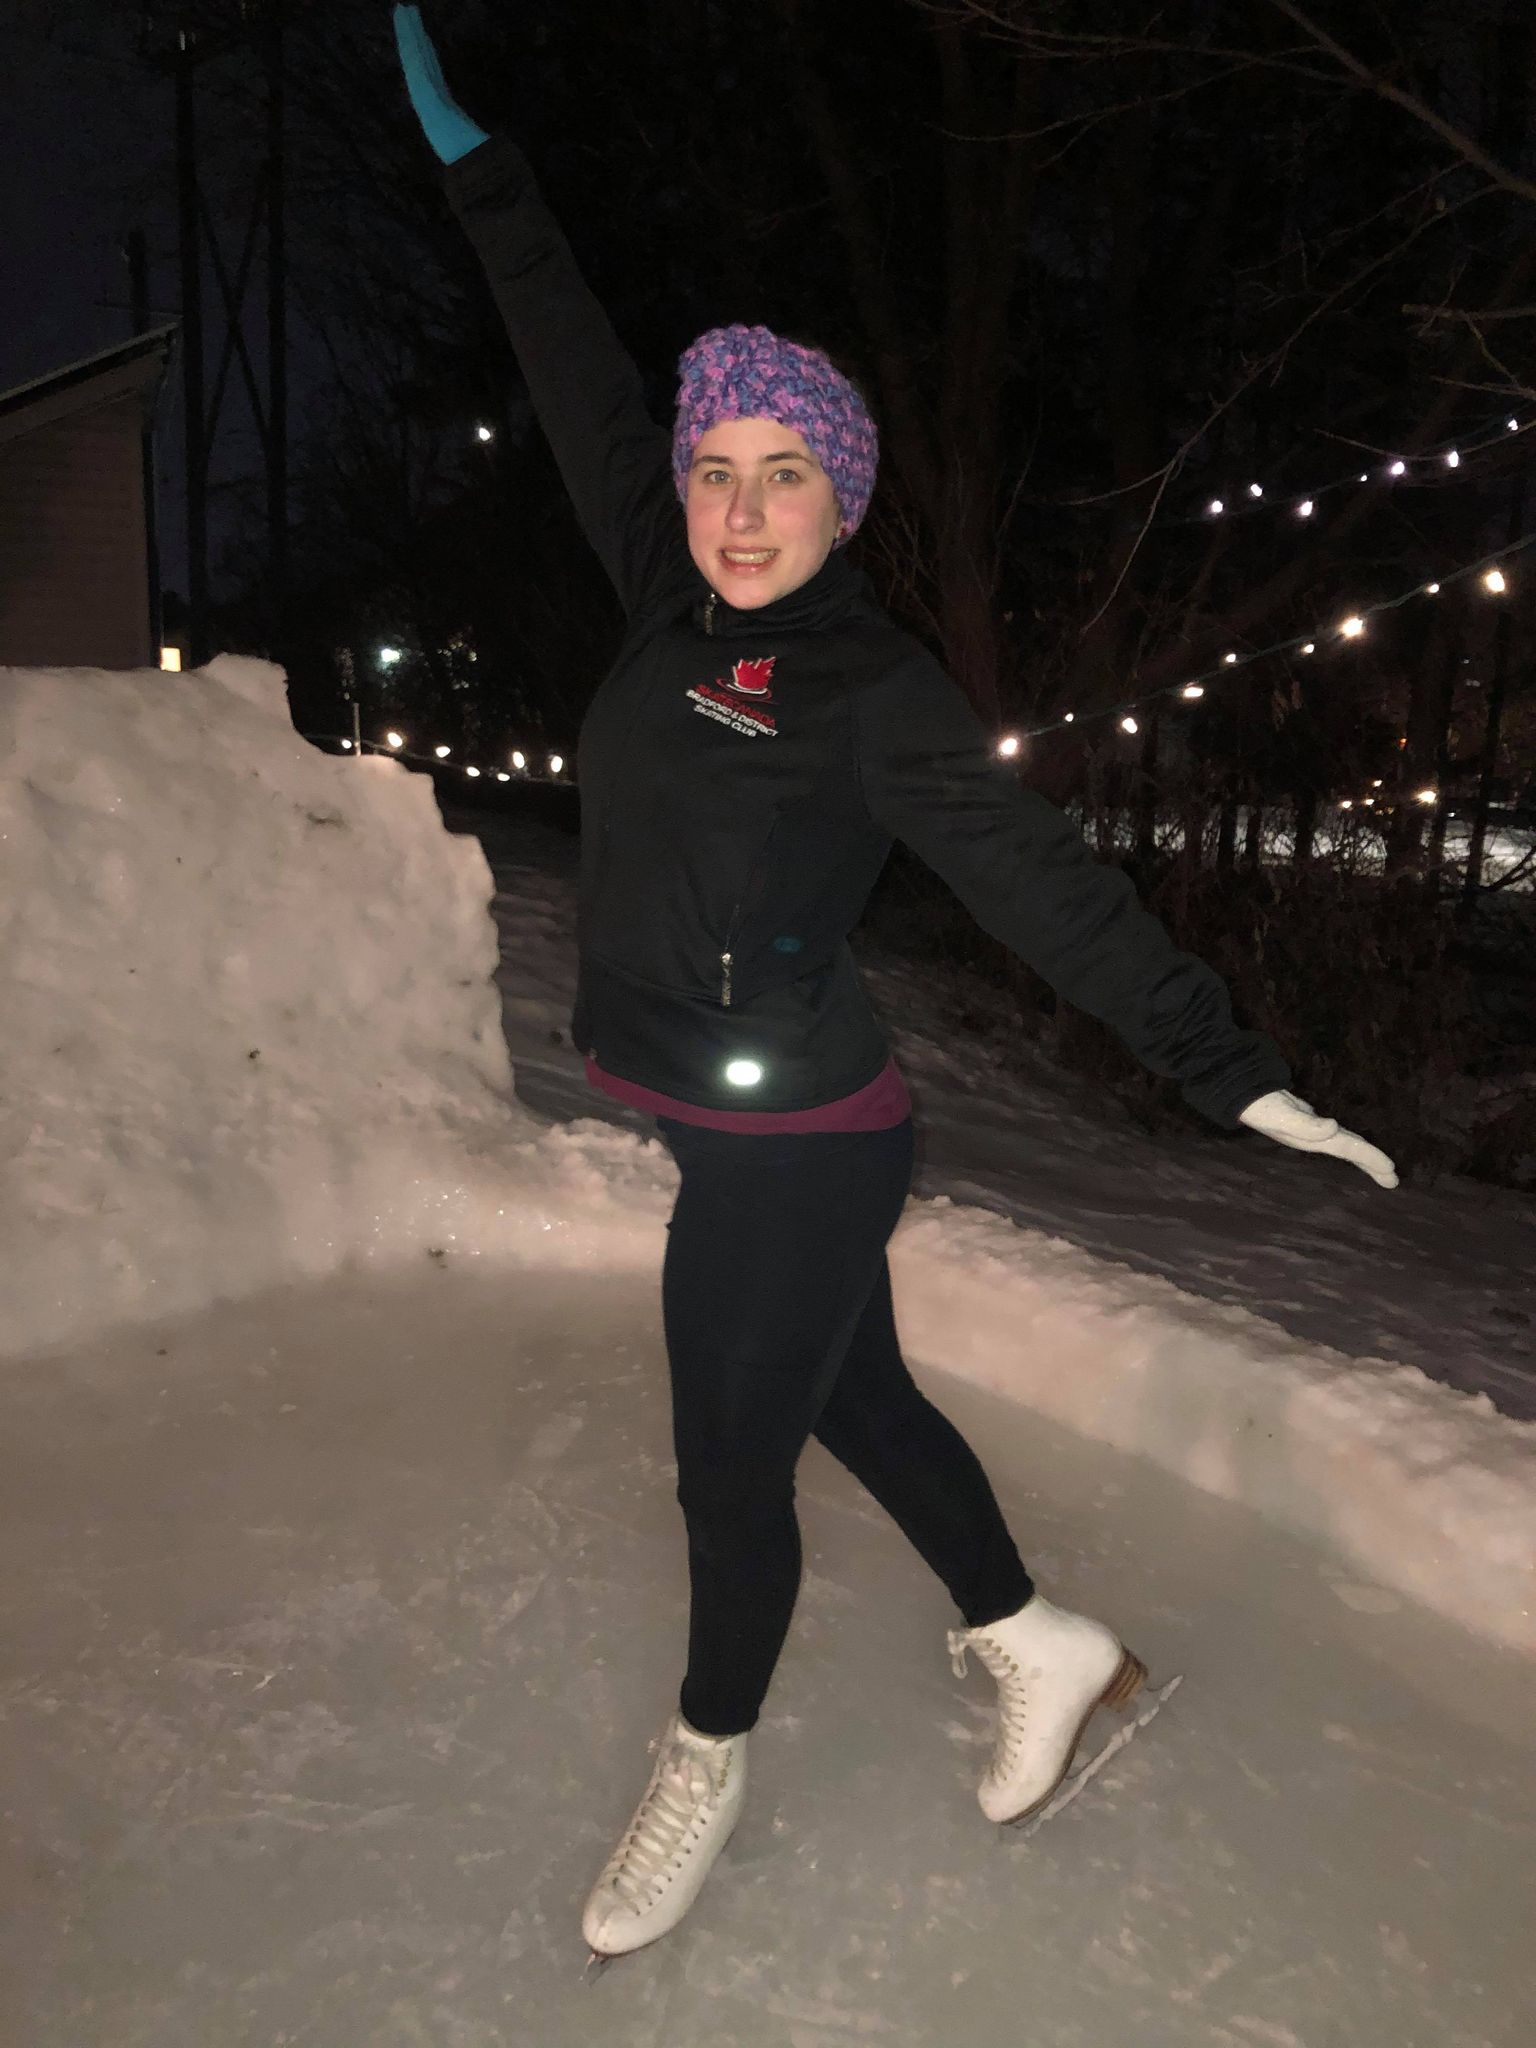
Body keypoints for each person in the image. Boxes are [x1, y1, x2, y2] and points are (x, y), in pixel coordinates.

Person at [391, 5, 1399, 1966]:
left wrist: (1231, 1067)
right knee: (854, 1391)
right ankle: (1042, 1637)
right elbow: (573, 349)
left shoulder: (869, 689)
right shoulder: (658, 581)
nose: (744, 506)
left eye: (786, 474)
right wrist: (476, 166)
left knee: (727, 1459)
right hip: (722, 1110)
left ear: (841, 502)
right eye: (718, 472)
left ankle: (708, 1752)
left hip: (807, 1147)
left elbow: (1044, 887)